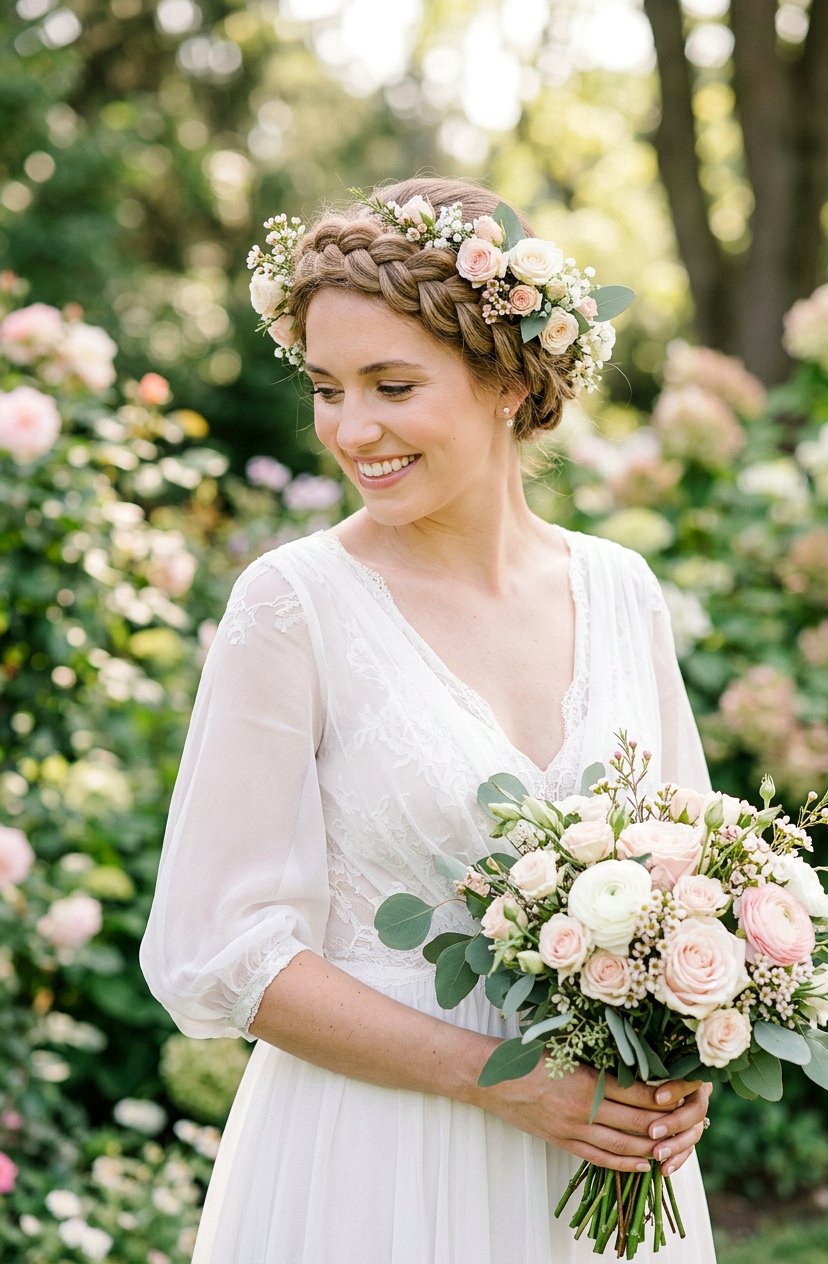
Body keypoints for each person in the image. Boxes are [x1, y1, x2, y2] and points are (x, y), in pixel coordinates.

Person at [139, 176, 716, 1263]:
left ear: (507, 380)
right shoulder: (291, 604)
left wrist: (687, 1052)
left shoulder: (619, 589)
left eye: (391, 385)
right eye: (325, 387)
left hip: (600, 1155)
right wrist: (500, 1080)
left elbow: (692, 875)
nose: (351, 429)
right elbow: (226, 951)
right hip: (375, 1160)